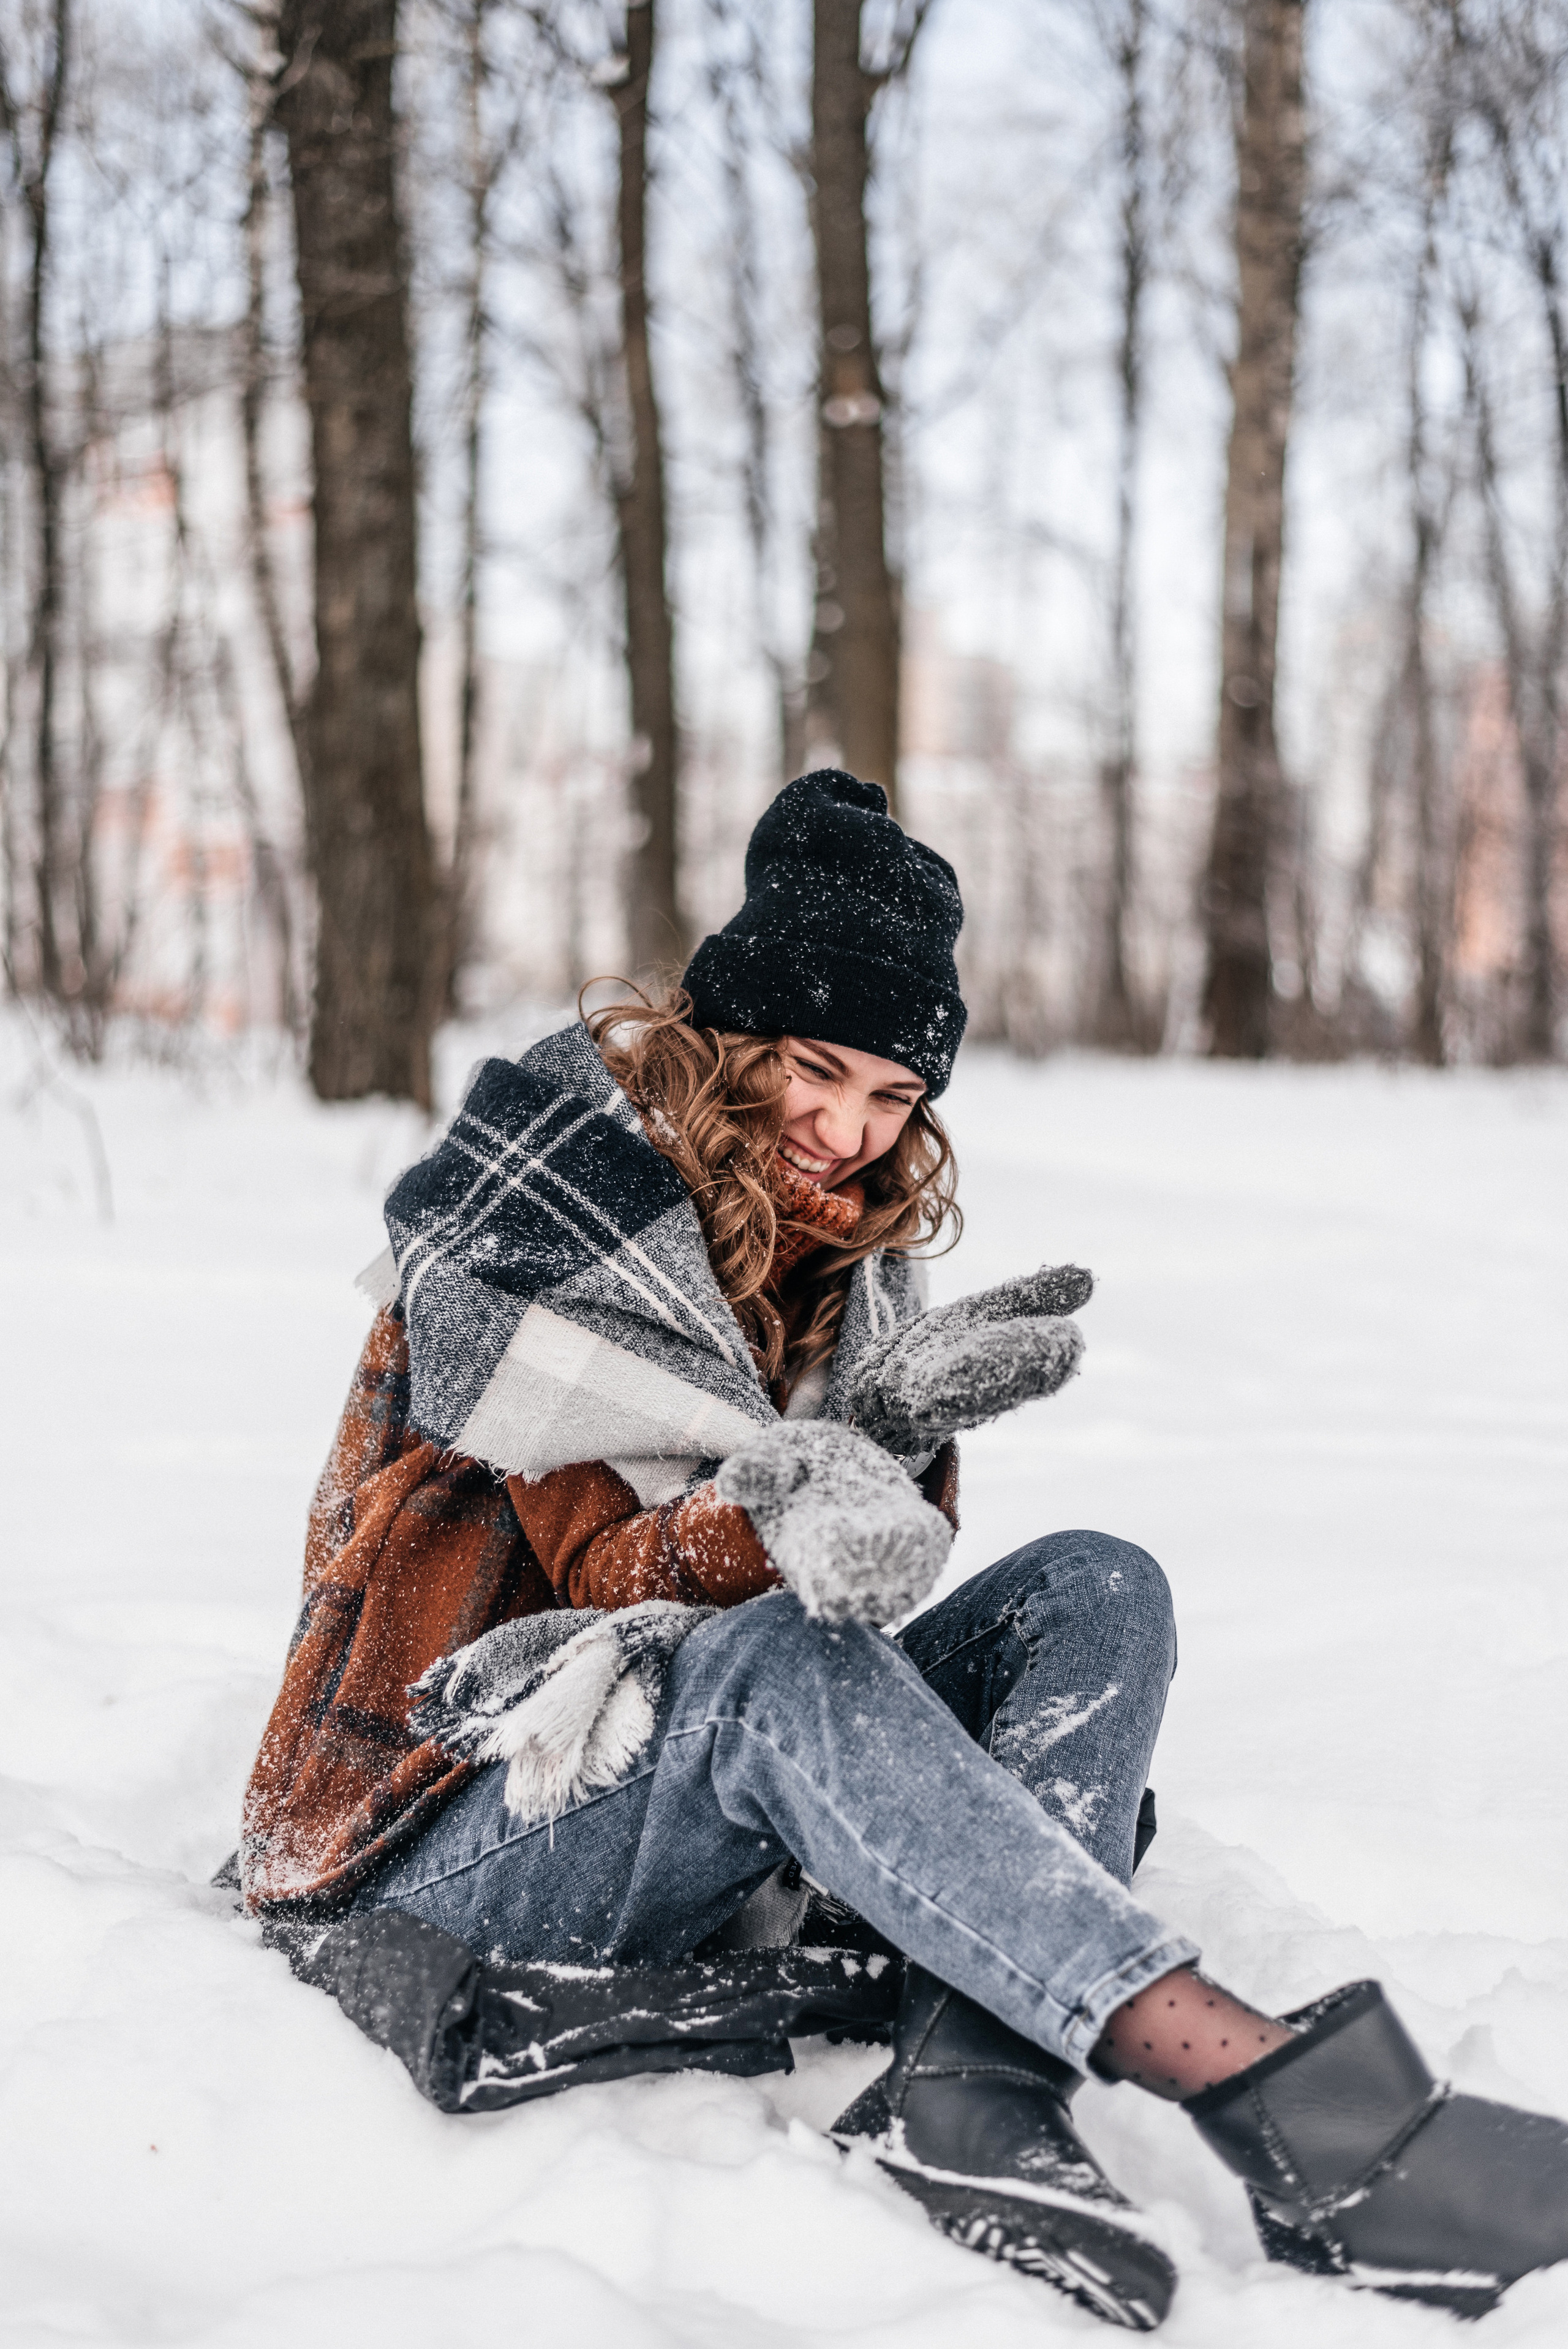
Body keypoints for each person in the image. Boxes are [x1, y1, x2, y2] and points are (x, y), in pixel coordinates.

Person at [243, 770, 1568, 2331]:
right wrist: (795, 1492)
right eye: (813, 1070)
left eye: (892, 1097)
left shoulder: (837, 1259)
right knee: (767, 1664)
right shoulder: (536, 1230)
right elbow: (610, 1576)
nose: (846, 1132)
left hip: (682, 1777)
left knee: (1095, 1584)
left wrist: (884, 1435)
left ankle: (968, 2079)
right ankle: (1284, 2101)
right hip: (449, 1823)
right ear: (722, 1036)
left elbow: (872, 1581)